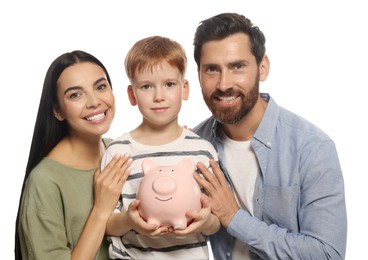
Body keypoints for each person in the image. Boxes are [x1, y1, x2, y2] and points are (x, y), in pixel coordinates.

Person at [192, 13, 347, 259]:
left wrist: (234, 218)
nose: (223, 84)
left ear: (262, 68)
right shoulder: (194, 145)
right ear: (198, 74)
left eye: (237, 67)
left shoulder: (312, 148)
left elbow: (327, 254)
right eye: (212, 69)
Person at [101, 35, 220, 259]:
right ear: (132, 94)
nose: (158, 96)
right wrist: (129, 220)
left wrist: (205, 221)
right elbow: (106, 223)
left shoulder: (203, 151)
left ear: (184, 89)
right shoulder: (118, 152)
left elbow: (215, 223)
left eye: (169, 84)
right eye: (146, 86)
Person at [15, 50, 133, 260]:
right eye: (75, 95)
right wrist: (100, 210)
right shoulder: (45, 181)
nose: (94, 101)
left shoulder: (120, 151)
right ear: (57, 111)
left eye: (100, 86)